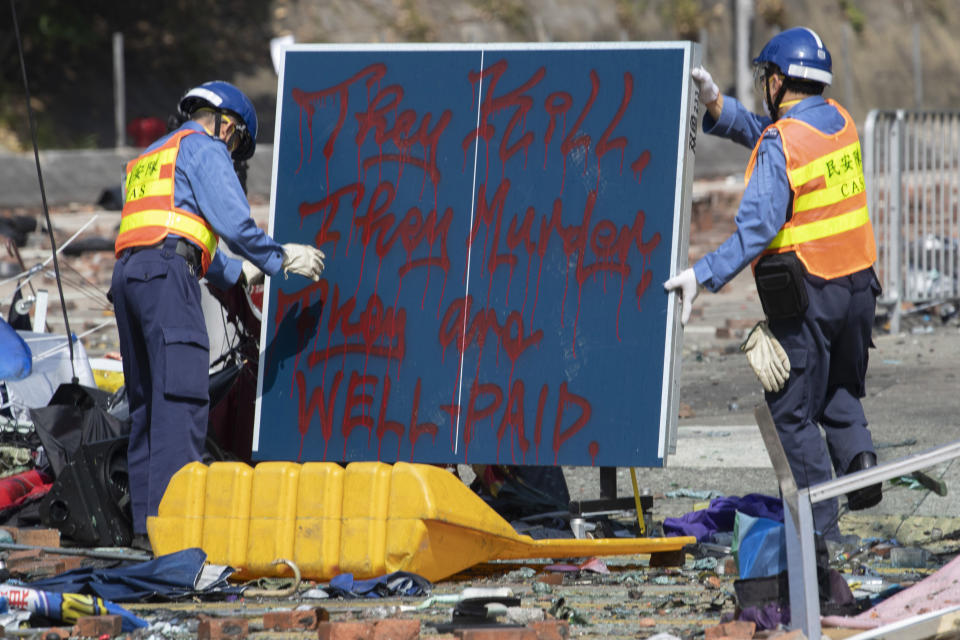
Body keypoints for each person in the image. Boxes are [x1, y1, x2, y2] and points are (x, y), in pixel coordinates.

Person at [663, 27, 882, 539]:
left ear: (781, 81)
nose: (766, 85)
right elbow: (770, 131)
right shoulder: (839, 122)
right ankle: (861, 464)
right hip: (858, 291)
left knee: (792, 413)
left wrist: (702, 273)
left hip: (807, 295)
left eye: (767, 78)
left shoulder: (781, 145)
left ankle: (818, 535)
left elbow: (757, 226)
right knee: (838, 388)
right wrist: (719, 106)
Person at [110, 80, 326, 539]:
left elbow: (171, 228)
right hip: (168, 279)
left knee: (147, 408)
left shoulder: (151, 156)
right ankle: (178, 539)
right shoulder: (204, 147)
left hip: (129, 279)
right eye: (237, 143)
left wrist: (235, 273)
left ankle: (146, 535)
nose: (232, 152)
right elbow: (233, 221)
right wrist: (279, 258)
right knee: (181, 402)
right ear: (226, 124)